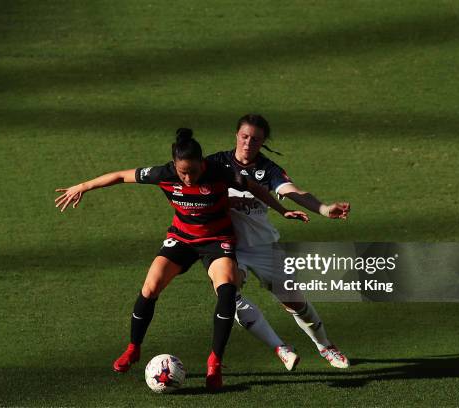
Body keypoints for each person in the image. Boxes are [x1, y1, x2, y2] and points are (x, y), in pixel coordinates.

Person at [54, 128, 309, 391]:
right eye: (182, 172)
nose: (188, 178)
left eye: (193, 172)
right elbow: (120, 176)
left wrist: (284, 210)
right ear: (174, 165)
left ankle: (215, 363)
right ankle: (133, 349)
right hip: (182, 239)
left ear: (203, 163)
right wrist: (82, 187)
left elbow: (256, 188)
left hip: (216, 241)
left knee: (226, 292)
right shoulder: (162, 174)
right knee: (150, 287)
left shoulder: (220, 173)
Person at [207, 114, 351, 369]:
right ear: (236, 136)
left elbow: (292, 191)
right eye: (245, 136)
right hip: (228, 246)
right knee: (228, 294)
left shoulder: (268, 169)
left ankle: (325, 346)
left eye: (256, 139)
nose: (249, 143)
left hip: (263, 246)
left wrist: (324, 209)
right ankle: (280, 347)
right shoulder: (215, 163)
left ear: (263, 142)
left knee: (294, 302)